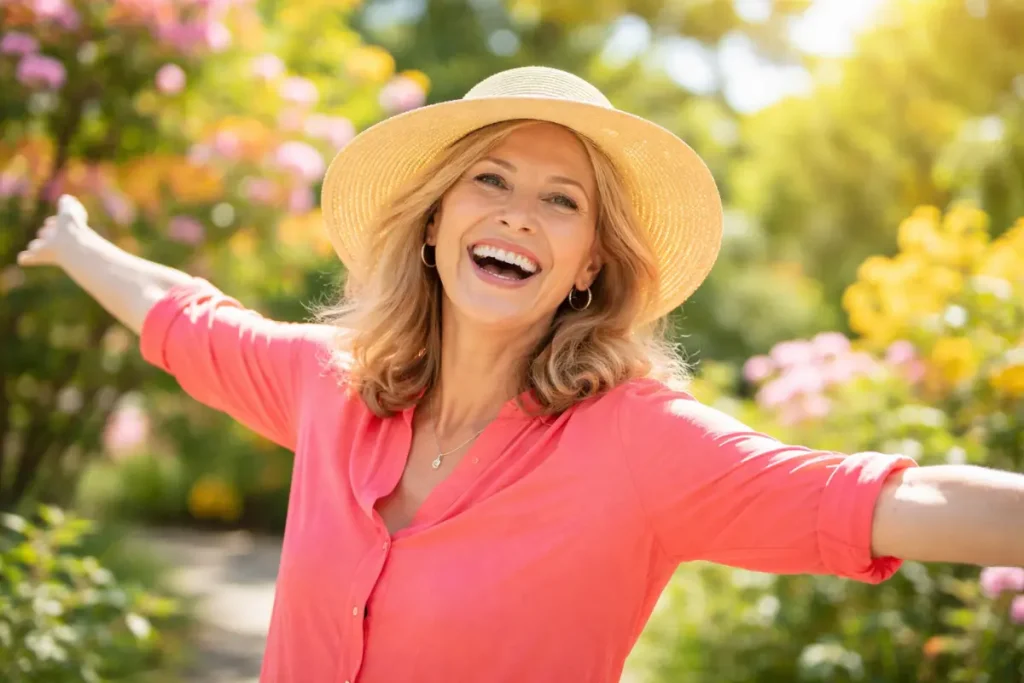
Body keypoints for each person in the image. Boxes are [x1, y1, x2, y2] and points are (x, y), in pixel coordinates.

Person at [17, 66, 1024, 683]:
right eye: (487, 182)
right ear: (435, 224)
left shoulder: (639, 444)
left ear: (589, 262)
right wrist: (76, 241)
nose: (515, 214)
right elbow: (192, 318)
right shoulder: (330, 383)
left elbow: (884, 496)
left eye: (559, 200)